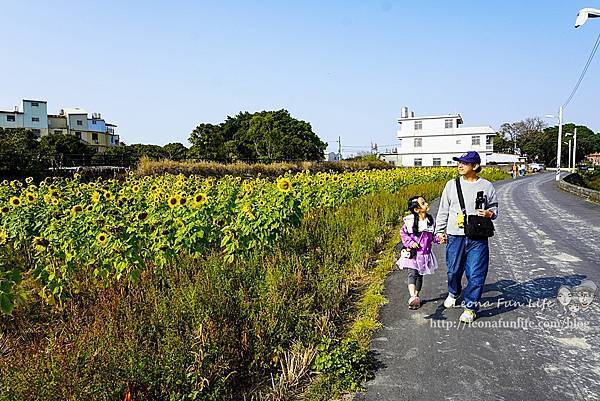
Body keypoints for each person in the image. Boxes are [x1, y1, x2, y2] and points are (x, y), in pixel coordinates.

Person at [435, 151, 499, 323]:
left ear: (475, 166)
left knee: (476, 272)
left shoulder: (487, 186)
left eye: (464, 163)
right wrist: (439, 232)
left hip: (478, 235)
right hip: (455, 235)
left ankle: (470, 307)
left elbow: (494, 208)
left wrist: (489, 213)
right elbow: (443, 210)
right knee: (453, 270)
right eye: (459, 162)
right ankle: (453, 291)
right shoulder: (451, 185)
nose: (460, 165)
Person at [396, 195, 444, 309]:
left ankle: (416, 297)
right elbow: (403, 233)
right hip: (413, 254)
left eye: (425, 202)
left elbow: (432, 237)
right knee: (412, 274)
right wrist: (410, 243)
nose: (427, 204)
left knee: (420, 276)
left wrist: (439, 239)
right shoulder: (410, 222)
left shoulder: (430, 221)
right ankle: (412, 296)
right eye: (423, 203)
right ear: (417, 209)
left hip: (424, 255)